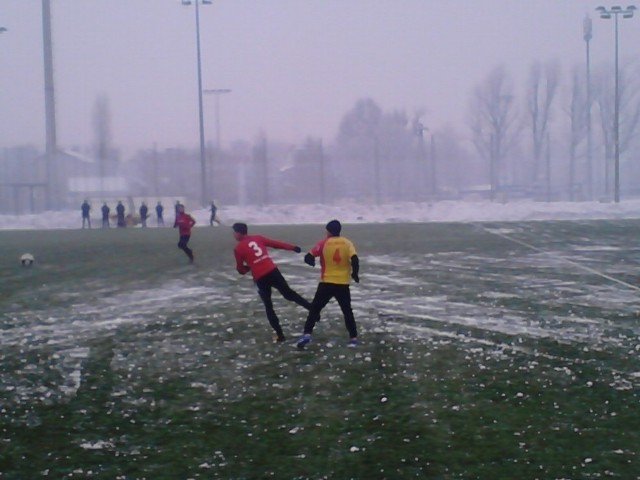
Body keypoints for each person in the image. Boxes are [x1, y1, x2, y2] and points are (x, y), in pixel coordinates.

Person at [232, 222, 312, 342]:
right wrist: (292, 247)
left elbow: (240, 269)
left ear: (238, 232)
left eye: (234, 232)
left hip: (260, 277)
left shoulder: (238, 248)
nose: (233, 235)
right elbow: (276, 244)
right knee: (289, 294)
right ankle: (312, 309)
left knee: (269, 306)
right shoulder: (258, 238)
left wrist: (248, 268)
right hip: (272, 270)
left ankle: (280, 335)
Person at [297, 220, 360, 349]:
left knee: (315, 310)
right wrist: (355, 274)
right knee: (347, 311)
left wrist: (312, 263)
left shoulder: (323, 242)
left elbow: (308, 257)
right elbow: (354, 259)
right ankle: (353, 338)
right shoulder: (347, 243)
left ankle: (307, 334)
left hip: (326, 282)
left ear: (329, 231)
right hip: (342, 283)